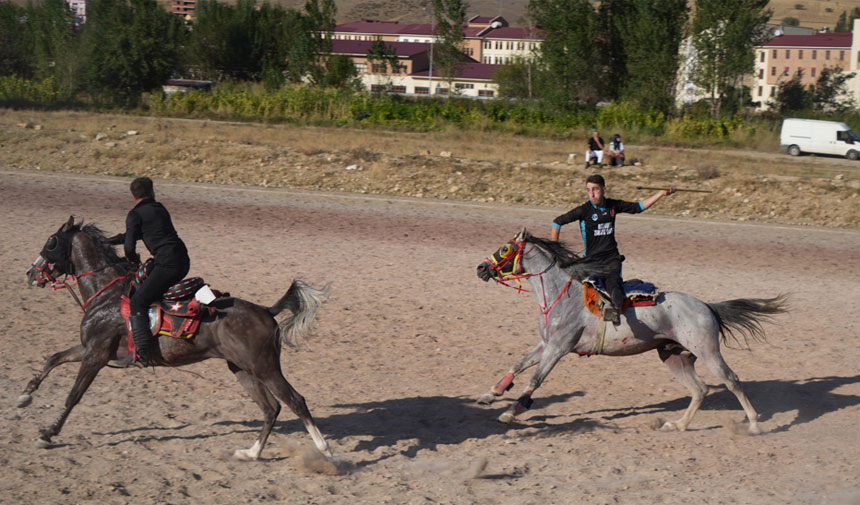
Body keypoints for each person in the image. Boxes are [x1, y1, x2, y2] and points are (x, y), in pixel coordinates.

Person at [551, 174, 674, 324]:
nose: (591, 194)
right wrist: (555, 251)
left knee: (613, 287)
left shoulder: (612, 205)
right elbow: (557, 223)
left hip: (611, 259)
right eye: (588, 190)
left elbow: (638, 207)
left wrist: (660, 194)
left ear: (604, 189)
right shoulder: (584, 210)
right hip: (590, 260)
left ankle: (615, 313)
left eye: (595, 189)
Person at [116, 177, 190, 367]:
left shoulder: (135, 215)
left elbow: (130, 245)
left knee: (138, 301)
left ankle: (142, 353)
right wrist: (106, 241)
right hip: (182, 259)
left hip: (167, 264)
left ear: (133, 195)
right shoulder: (160, 208)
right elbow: (131, 235)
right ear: (152, 192)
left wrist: (132, 259)